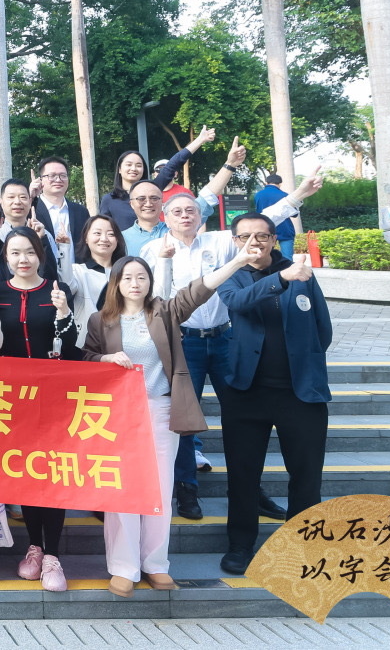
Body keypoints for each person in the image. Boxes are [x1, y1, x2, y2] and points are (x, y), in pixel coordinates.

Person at [144, 167, 321, 521]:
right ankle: (186, 488)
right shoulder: (154, 250)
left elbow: (265, 221)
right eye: (176, 211)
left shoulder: (221, 242)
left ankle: (252, 491)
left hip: (226, 340)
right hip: (184, 344)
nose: (185, 215)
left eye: (191, 210)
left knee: (244, 415)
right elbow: (151, 297)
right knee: (183, 418)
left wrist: (299, 194)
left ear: (200, 215)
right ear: (165, 218)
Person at [82, 248, 255, 596]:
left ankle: (155, 564)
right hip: (118, 414)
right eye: (127, 277)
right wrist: (106, 358)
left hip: (160, 408)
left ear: (150, 282)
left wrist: (236, 261)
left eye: (141, 277)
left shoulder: (163, 312)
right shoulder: (101, 320)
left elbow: (198, 290)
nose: (135, 283)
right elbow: (86, 357)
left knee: (160, 487)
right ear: (116, 283)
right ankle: (124, 566)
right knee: (121, 488)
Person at [215, 213, 334, 576]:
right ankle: (240, 544)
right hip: (246, 392)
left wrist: (305, 359)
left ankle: (301, 547)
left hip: (301, 393)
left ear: (273, 240)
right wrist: (282, 279)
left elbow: (323, 328)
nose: (254, 242)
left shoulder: (300, 272)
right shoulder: (231, 274)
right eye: (245, 236)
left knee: (306, 476)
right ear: (235, 241)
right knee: (243, 474)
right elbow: (238, 302)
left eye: (262, 235)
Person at [0, 228, 78, 592]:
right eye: (15, 253)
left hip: (51, 398)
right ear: (5, 258)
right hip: (10, 399)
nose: (23, 259)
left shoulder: (56, 290)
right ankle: (34, 546)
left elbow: (70, 347)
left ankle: (52, 556)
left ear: (40, 255)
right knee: (26, 474)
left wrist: (63, 311)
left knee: (50, 473)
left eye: (30, 252)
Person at [100, 127, 217, 230]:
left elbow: (173, 164)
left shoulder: (153, 189)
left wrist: (200, 140)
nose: (134, 169)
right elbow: (104, 229)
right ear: (119, 169)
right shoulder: (109, 199)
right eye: (129, 165)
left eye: (139, 165)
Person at [58, 214, 127, 351]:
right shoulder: (77, 271)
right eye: (97, 233)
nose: (104, 238)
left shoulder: (127, 273)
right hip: (86, 344)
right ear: (86, 238)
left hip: (123, 343)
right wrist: (64, 247)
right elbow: (67, 287)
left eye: (111, 234)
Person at [30, 156, 90, 248]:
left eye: (63, 175)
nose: (58, 180)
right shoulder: (31, 210)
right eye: (52, 176)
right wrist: (30, 198)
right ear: (40, 180)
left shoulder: (81, 212)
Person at [253, 174, 298, 259]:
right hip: (285, 229)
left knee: (266, 257)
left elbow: (259, 213)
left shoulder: (258, 195)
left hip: (266, 228)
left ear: (266, 182)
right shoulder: (285, 195)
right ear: (280, 183)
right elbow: (294, 214)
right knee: (287, 258)